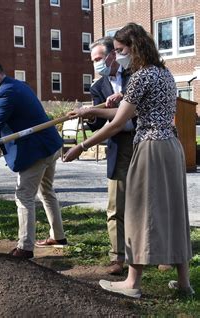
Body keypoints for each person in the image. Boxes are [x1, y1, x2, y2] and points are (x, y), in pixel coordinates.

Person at [64, 23, 194, 298]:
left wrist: (82, 146)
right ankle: (184, 283)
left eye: (121, 50)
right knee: (174, 210)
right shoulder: (164, 74)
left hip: (150, 148)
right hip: (172, 145)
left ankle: (132, 282)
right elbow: (122, 113)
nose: (118, 56)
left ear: (134, 48)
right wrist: (92, 111)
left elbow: (119, 122)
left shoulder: (140, 77)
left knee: (137, 210)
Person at [0, 59, 65, 259]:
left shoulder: (5, 93)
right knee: (46, 190)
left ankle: (25, 246)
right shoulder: (17, 85)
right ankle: (58, 236)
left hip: (35, 151)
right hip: (50, 145)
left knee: (23, 196)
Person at [88, 36, 133, 275]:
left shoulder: (134, 73)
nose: (96, 64)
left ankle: (156, 253)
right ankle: (117, 257)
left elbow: (140, 101)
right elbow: (97, 124)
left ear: (112, 55)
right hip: (118, 146)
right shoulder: (97, 87)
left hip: (142, 140)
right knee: (115, 205)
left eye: (98, 58)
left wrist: (122, 98)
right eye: (93, 60)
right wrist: (93, 115)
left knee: (148, 199)